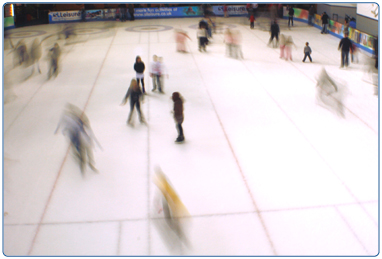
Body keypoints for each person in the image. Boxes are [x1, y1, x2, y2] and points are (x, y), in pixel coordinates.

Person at [55, 103, 101, 173]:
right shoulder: (72, 118)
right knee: (83, 150)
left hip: (80, 137)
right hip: (78, 136)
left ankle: (85, 162)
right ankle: (84, 161)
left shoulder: (74, 118)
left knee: (85, 150)